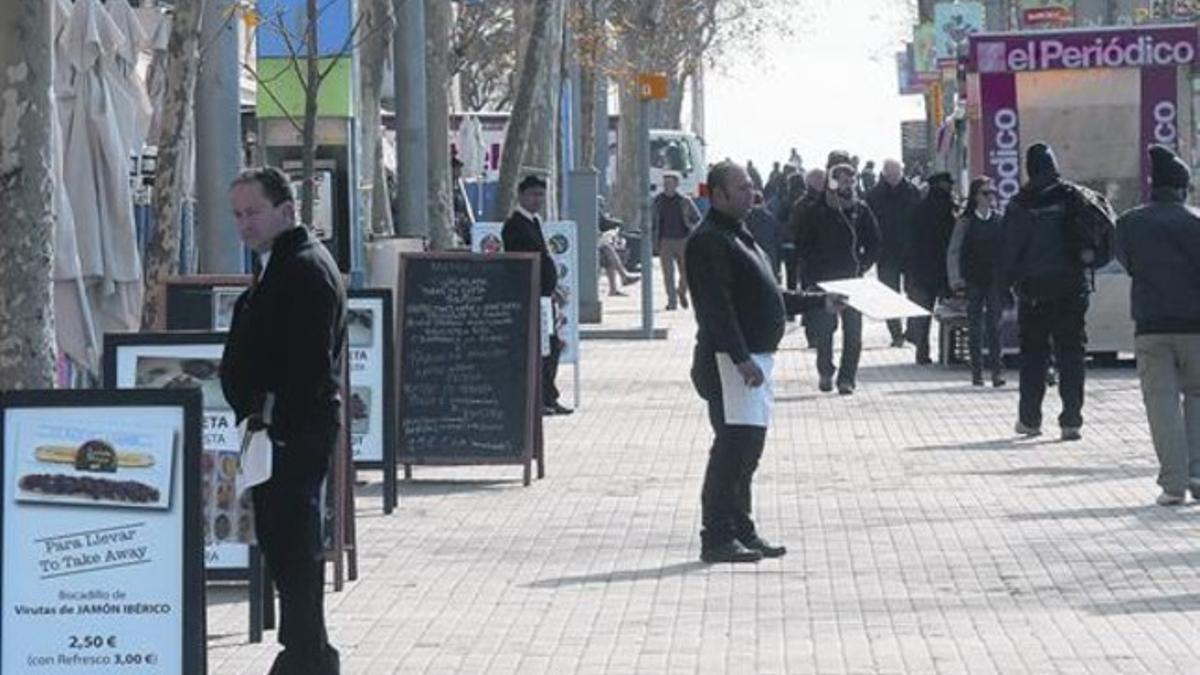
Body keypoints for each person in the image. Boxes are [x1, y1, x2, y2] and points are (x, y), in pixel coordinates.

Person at [219, 167, 346, 675]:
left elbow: (308, 362)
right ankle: (307, 650)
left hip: (291, 432)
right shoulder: (282, 263)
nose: (243, 224)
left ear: (287, 211)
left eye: (252, 212)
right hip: (279, 431)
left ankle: (306, 654)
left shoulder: (304, 268)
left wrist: (278, 425)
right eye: (237, 215)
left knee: (294, 545)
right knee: (284, 542)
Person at [686, 161, 841, 564]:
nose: (750, 192)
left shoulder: (743, 235)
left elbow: (769, 295)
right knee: (732, 449)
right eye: (740, 187)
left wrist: (819, 300)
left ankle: (742, 528)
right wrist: (740, 358)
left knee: (748, 449)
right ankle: (716, 535)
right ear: (716, 195)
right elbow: (716, 309)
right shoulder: (709, 240)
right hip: (729, 362)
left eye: (751, 186)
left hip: (754, 359)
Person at [1115, 145, 1200, 505]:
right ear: (1182, 188)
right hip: (1195, 325)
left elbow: (1128, 263)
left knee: (1161, 402)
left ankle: (1173, 483)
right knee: (1197, 396)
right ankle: (1198, 471)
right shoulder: (1196, 222)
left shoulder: (1130, 223)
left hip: (1150, 323)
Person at [1002, 143, 1091, 441]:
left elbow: (1010, 251)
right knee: (1072, 354)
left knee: (1034, 357)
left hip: (1034, 292)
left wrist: (1006, 285)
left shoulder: (1019, 204)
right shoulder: (1072, 196)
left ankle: (1030, 420)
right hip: (1072, 288)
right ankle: (1071, 421)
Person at [795, 162, 881, 395]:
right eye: (843, 180)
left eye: (851, 181)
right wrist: (811, 274)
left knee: (853, 333)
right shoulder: (816, 210)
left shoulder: (860, 210)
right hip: (824, 280)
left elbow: (874, 241)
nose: (848, 185)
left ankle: (847, 379)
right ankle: (825, 370)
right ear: (831, 182)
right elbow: (802, 243)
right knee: (825, 330)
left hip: (853, 279)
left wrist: (864, 264)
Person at [503, 174, 573, 416]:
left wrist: (553, 288)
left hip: (545, 298)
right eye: (532, 194)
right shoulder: (514, 225)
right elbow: (519, 263)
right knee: (538, 349)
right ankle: (537, 400)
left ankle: (549, 395)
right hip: (530, 297)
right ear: (521, 195)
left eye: (541, 194)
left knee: (551, 348)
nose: (537, 199)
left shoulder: (536, 222)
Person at [948, 177, 1008, 387]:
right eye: (985, 192)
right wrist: (956, 279)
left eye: (992, 192)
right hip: (973, 279)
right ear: (976, 197)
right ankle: (977, 372)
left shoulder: (999, 220)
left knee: (995, 325)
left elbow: (1006, 251)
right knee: (975, 326)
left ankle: (997, 372)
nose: (990, 196)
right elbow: (954, 251)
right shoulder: (966, 222)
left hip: (994, 279)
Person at [866, 159, 922, 347]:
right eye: (890, 174)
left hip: (912, 251)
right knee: (888, 294)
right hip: (886, 252)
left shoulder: (913, 192)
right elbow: (868, 225)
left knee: (915, 291)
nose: (894, 178)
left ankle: (913, 331)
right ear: (884, 174)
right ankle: (896, 334)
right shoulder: (874, 195)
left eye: (897, 174)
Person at [906, 171, 957, 365]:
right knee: (950, 313)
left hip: (920, 269)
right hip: (943, 269)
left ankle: (922, 351)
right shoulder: (948, 210)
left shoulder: (917, 208)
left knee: (923, 313)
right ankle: (948, 352)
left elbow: (909, 240)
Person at [652, 172, 702, 310]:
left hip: (683, 240)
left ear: (676, 184)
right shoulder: (658, 201)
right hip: (665, 241)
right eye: (665, 183)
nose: (667, 186)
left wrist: (691, 228)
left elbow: (697, 218)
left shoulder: (684, 200)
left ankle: (681, 291)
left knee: (687, 271)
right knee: (668, 274)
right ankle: (672, 301)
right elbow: (652, 220)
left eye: (670, 183)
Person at [746, 190, 783, 278]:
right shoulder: (770, 217)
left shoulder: (745, 218)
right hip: (769, 255)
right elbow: (778, 238)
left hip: (752, 256)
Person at [451, 157, 475, 246]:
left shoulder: (459, 186)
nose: (459, 172)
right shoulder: (451, 188)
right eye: (457, 169)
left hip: (463, 225)